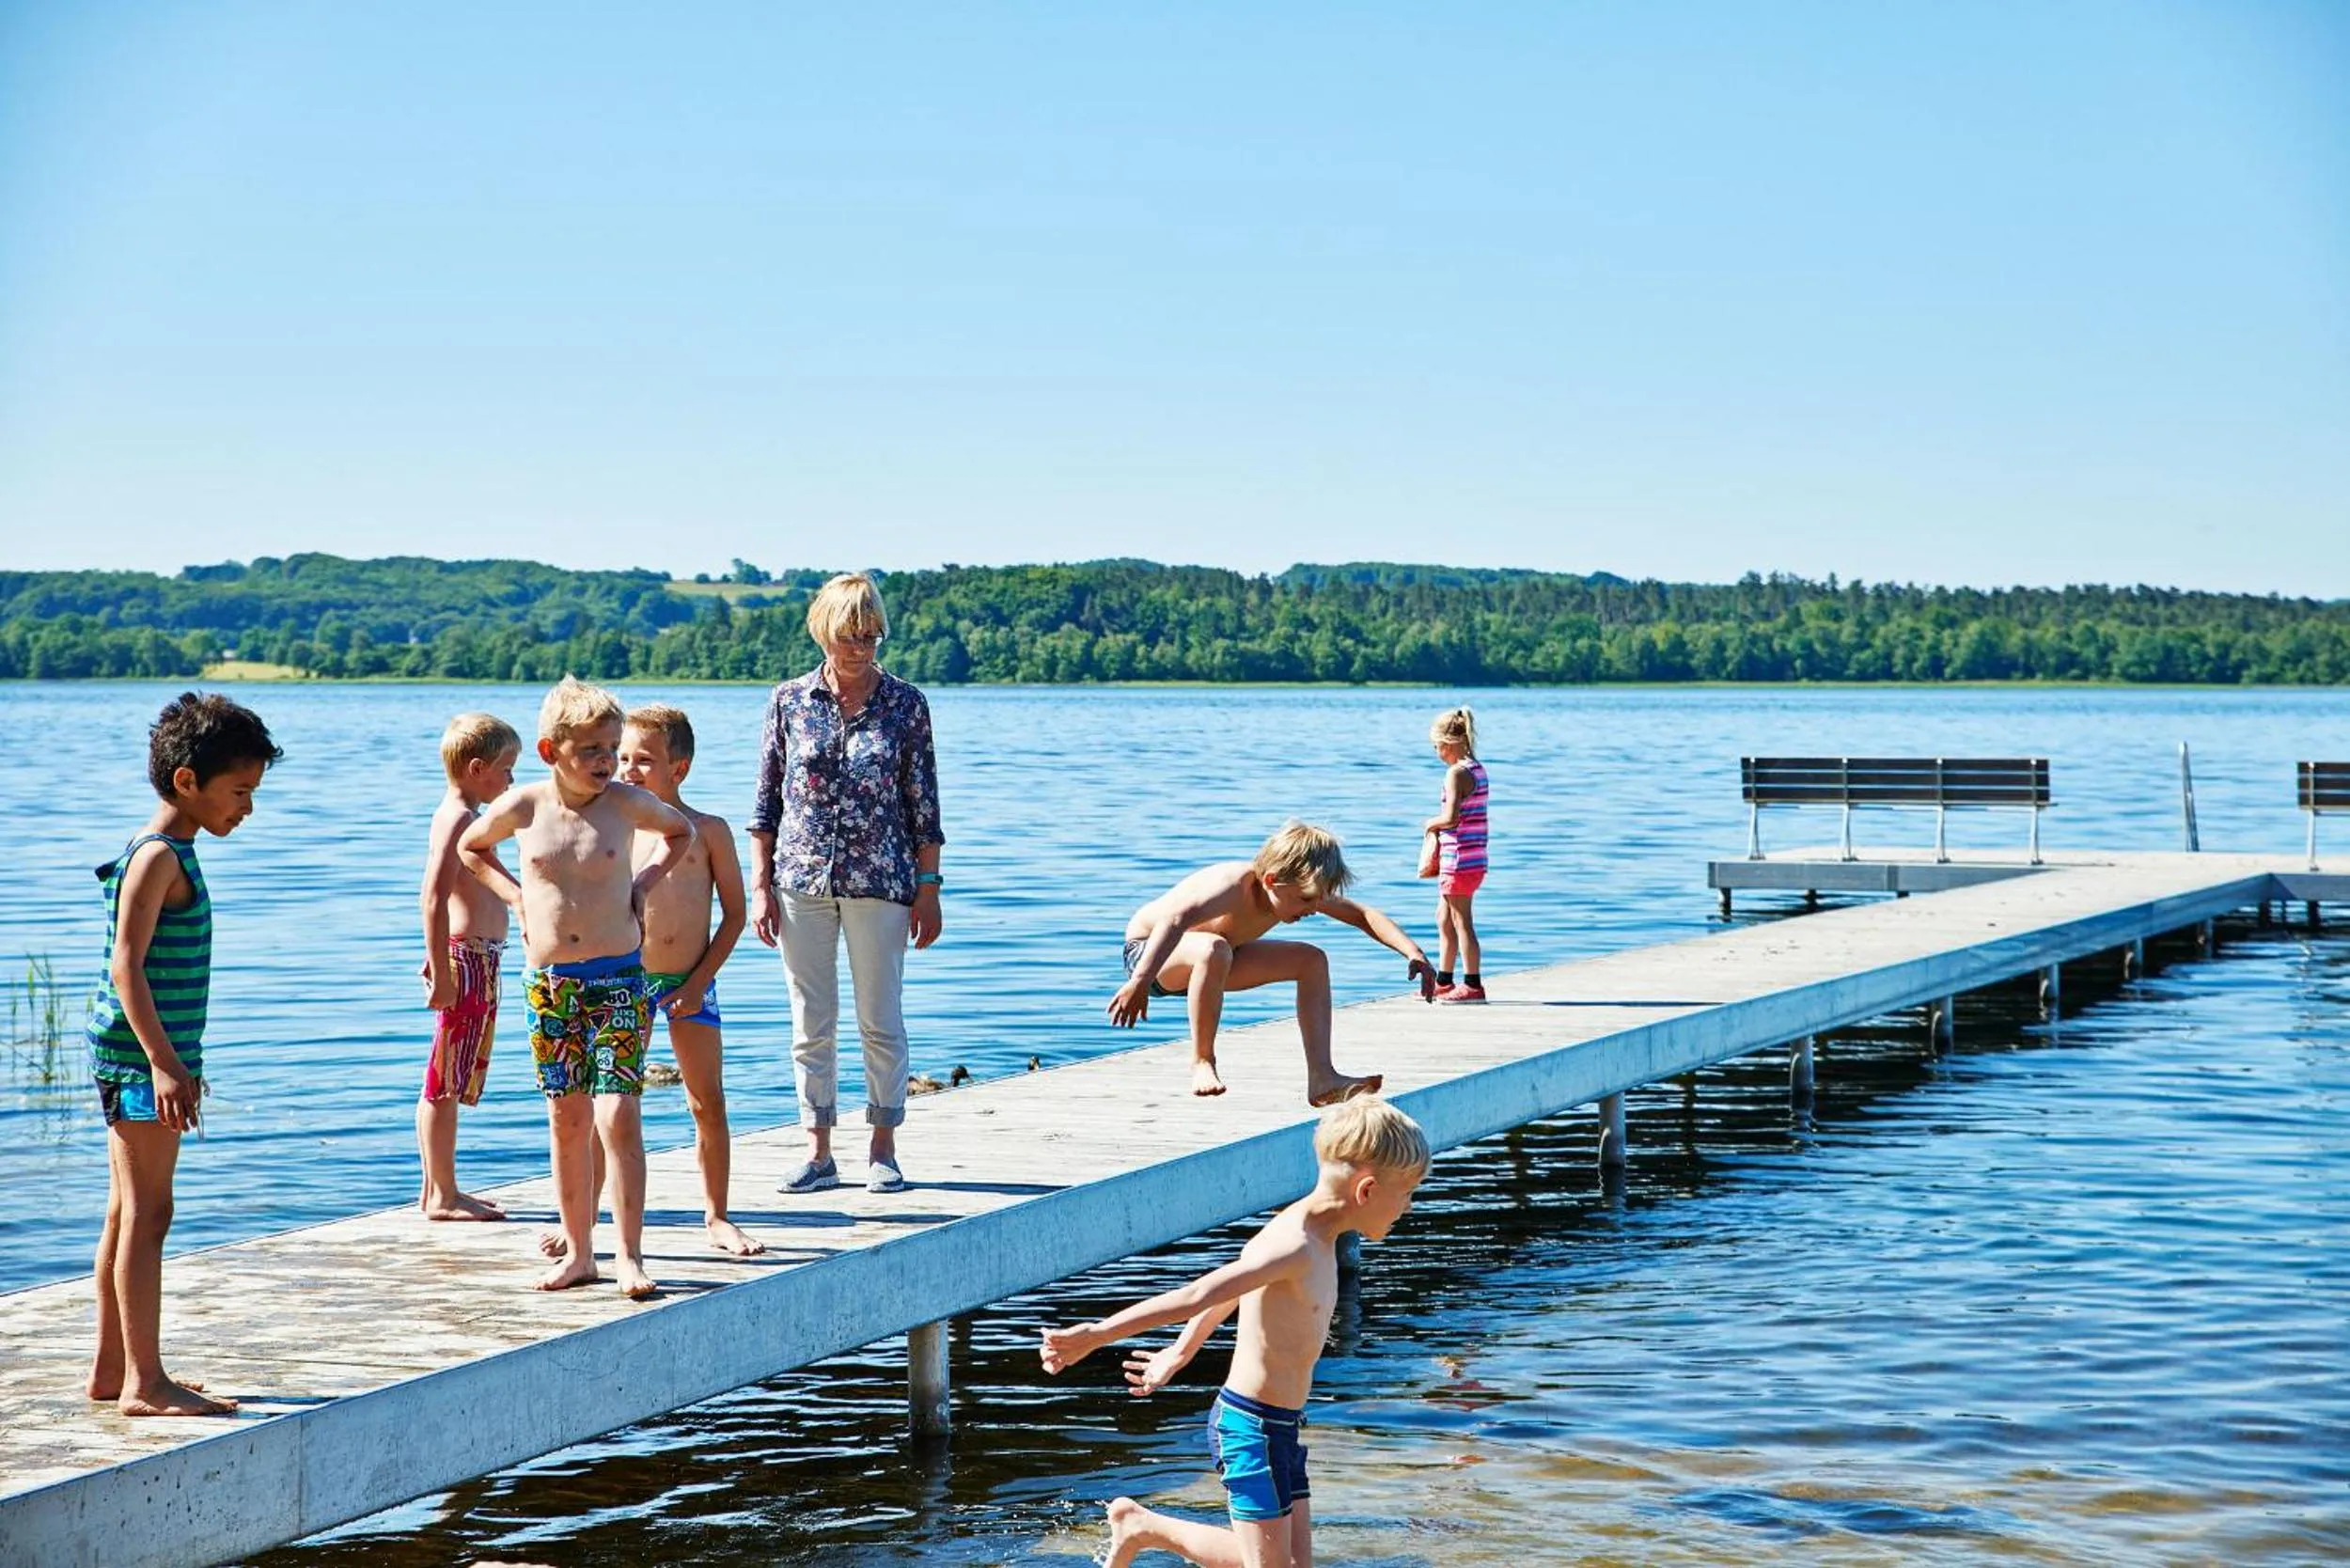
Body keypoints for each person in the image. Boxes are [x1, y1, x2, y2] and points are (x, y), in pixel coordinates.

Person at [1040, 1096, 1432, 1568]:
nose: (1408, 1206)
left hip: (1281, 1426)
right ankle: (1143, 1526)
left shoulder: (1317, 1236)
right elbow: (1199, 1293)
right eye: (1407, 1192)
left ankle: (1140, 1526)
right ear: (1366, 1190)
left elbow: (1233, 1289)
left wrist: (1182, 1350)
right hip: (1250, 1426)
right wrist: (1099, 1334)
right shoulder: (1295, 1244)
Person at [460, 677, 694, 1299]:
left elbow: (682, 832)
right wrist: (516, 899)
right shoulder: (526, 806)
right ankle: (579, 1252)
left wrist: (643, 884)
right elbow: (471, 847)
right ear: (550, 751)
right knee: (567, 1117)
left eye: (612, 748)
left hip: (617, 978)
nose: (606, 761)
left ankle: (629, 1255)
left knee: (617, 1112)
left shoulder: (625, 804)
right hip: (551, 985)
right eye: (591, 749)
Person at [86, 692, 282, 1417]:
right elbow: (126, 967)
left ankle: (114, 1369)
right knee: (150, 1213)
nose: (247, 809)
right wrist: (165, 1066)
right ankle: (146, 1383)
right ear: (187, 781)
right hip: (140, 1059)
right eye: (240, 791)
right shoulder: (158, 857)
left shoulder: (172, 852)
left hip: (146, 1054)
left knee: (125, 1213)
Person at [749, 572, 944, 1197]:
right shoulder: (789, 701)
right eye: (849, 635)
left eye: (871, 634)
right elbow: (766, 804)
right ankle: (818, 1152)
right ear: (823, 633)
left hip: (881, 880)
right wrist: (760, 886)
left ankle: (883, 1148)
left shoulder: (906, 705)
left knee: (880, 1019)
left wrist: (930, 887)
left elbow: (924, 807)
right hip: (799, 879)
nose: (861, 647)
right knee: (811, 1021)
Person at [1112, 822, 1435, 1105]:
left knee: (1311, 960)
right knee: (1213, 948)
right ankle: (1202, 1061)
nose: (1313, 909)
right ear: (1271, 880)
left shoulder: (1293, 888)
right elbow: (1174, 920)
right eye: (1306, 900)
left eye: (1318, 899)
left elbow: (1362, 915)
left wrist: (1413, 952)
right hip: (1151, 955)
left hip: (1216, 961)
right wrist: (1140, 980)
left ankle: (1322, 1077)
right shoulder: (1231, 886)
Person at [618, 703, 763, 1257]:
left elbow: (735, 915)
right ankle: (586, 1219)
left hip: (692, 980)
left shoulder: (708, 831)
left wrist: (700, 982)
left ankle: (718, 1215)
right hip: (627, 982)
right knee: (613, 1102)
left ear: (678, 768)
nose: (628, 769)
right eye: (622, 758)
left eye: (643, 760)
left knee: (707, 1101)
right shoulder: (615, 828)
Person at [417, 712, 522, 1221]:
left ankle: (437, 1189)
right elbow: (433, 897)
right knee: (445, 1079)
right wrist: (441, 970)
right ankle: (443, 1195)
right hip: (467, 959)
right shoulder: (458, 818)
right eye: (506, 769)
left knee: (449, 1076)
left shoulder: (465, 817)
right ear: (477, 769)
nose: (511, 780)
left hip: (477, 955)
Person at [1422, 706, 1489, 1003]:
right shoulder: (1477, 769)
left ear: (1447, 744)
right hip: (1473, 858)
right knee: (1444, 917)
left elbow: (1451, 818)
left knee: (1462, 921)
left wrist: (1430, 823)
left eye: (1436, 746)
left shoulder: (1456, 773)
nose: (1436, 753)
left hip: (1459, 859)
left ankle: (1473, 984)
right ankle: (1444, 981)